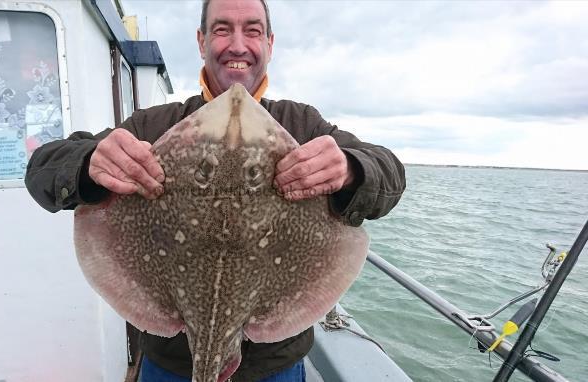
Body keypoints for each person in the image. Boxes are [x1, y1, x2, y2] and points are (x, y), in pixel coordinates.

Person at [25, 0, 406, 380]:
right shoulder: (154, 126)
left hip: (275, 368)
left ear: (269, 44)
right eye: (222, 29)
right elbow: (42, 168)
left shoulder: (303, 126)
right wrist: (89, 162)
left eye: (252, 30)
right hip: (171, 365)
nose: (238, 44)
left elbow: (390, 175)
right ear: (201, 40)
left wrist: (353, 168)